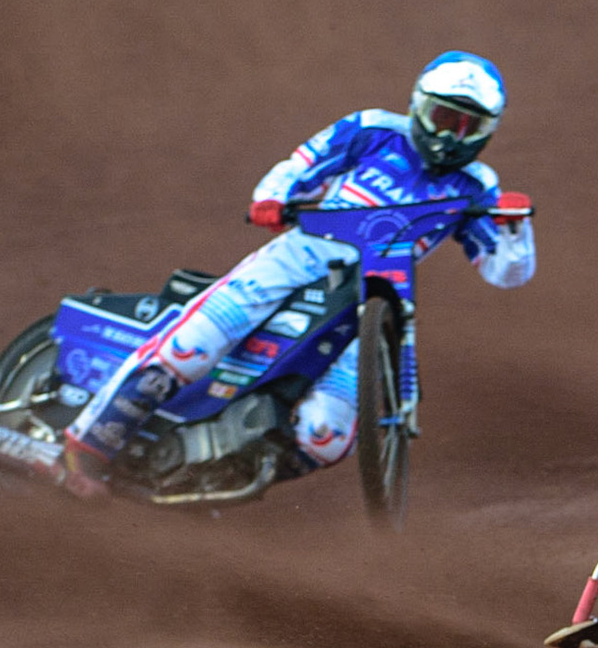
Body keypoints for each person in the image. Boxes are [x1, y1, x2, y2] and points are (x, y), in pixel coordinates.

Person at [58, 51, 537, 496]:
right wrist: (273, 198)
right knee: (191, 347)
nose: (452, 135)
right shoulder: (372, 130)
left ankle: (211, 476)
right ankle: (87, 444)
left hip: (377, 298)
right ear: (418, 105)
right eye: (443, 118)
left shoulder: (478, 185)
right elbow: (301, 165)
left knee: (324, 437)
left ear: (488, 130)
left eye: (468, 125)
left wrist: (514, 229)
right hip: (302, 255)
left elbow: (506, 272)